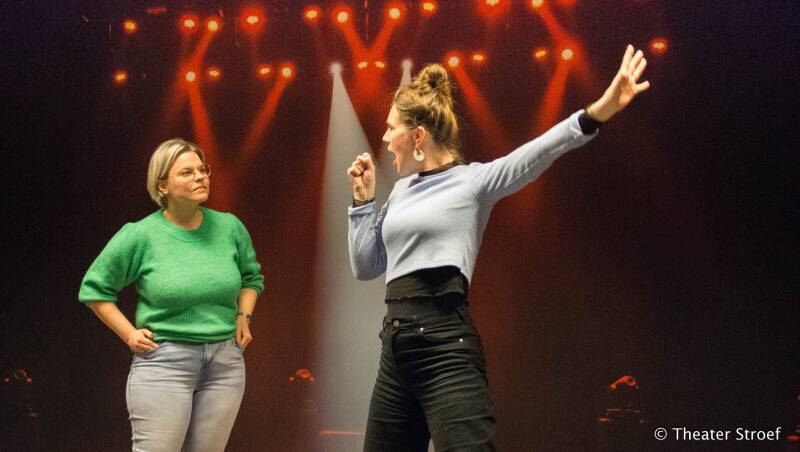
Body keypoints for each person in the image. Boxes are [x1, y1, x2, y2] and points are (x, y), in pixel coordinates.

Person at [347, 45, 650, 451]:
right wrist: (363, 204)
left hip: (445, 348)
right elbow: (366, 266)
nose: (384, 138)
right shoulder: (400, 191)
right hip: (395, 352)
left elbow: (536, 153)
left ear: (418, 136)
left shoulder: (472, 182)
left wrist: (597, 111)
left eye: (391, 128)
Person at [78, 138, 264, 452]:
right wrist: (129, 335)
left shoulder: (230, 227)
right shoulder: (141, 235)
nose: (200, 177)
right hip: (164, 364)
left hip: (225, 364)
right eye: (187, 173)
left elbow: (252, 278)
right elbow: (95, 290)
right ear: (162, 185)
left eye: (203, 170)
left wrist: (243, 315)